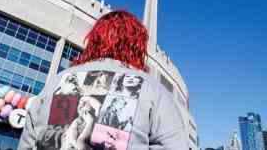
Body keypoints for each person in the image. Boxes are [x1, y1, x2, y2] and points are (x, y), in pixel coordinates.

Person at [19, 10, 187, 150]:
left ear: (94, 40)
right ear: (137, 46)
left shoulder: (55, 83)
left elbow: (27, 144)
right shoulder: (153, 90)